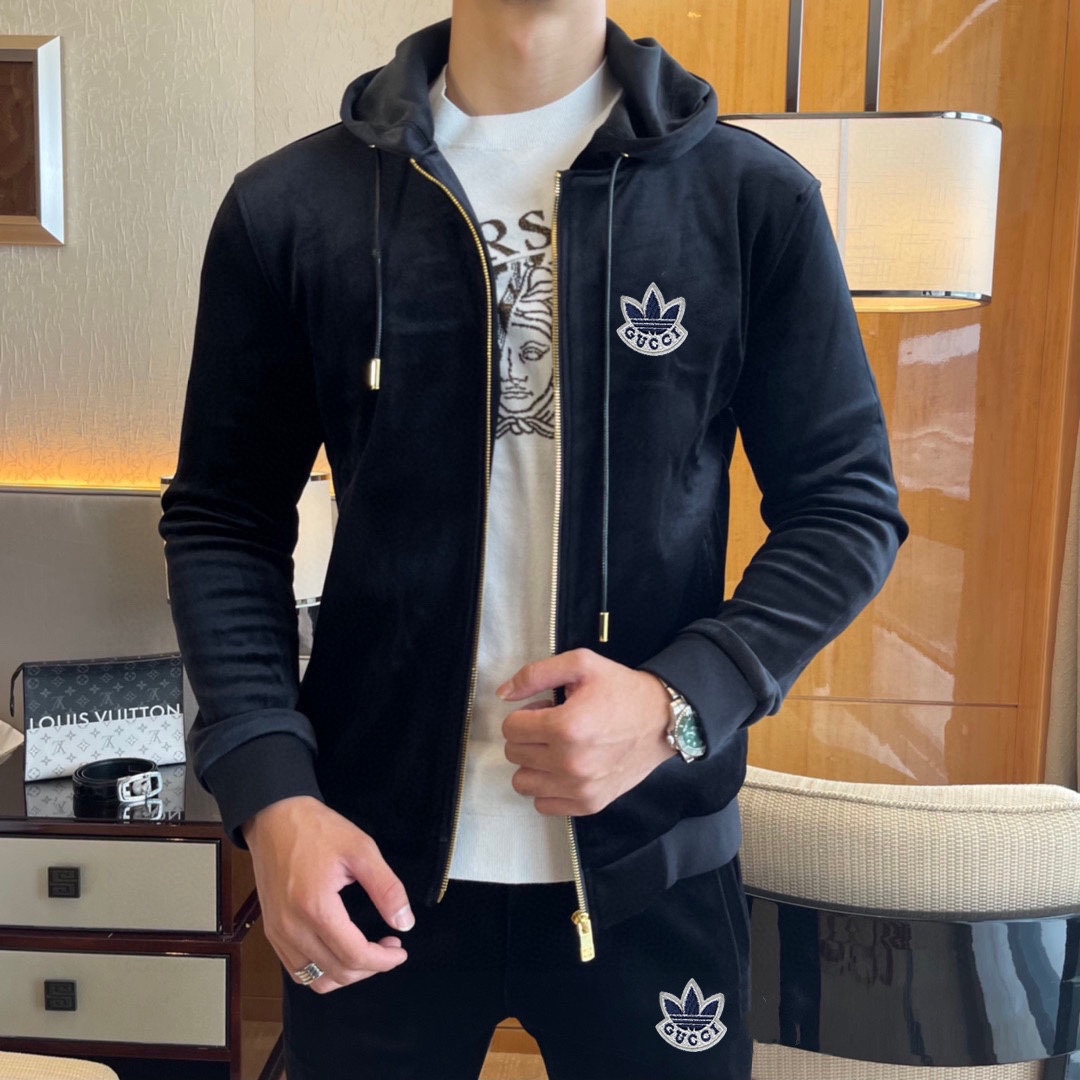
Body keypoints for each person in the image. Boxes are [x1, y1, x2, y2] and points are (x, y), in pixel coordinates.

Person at [159, 1, 908, 1077]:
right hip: (364, 864)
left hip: (654, 865)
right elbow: (223, 520)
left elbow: (846, 508)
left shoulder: (749, 198)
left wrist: (678, 703)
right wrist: (272, 798)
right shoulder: (293, 207)